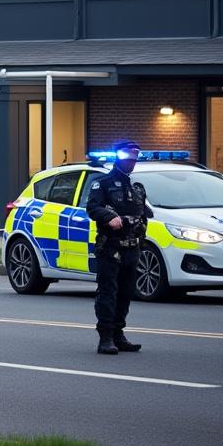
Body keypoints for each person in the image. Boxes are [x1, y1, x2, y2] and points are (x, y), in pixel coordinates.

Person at [86, 140, 152, 355]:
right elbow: (92, 208)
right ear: (118, 158)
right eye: (128, 158)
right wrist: (109, 217)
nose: (132, 162)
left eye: (135, 158)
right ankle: (105, 337)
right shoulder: (103, 184)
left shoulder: (137, 188)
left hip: (131, 249)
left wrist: (141, 232)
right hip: (111, 248)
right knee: (108, 292)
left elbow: (144, 215)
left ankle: (118, 333)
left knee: (126, 292)